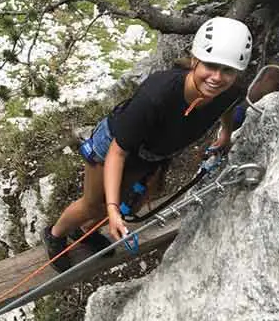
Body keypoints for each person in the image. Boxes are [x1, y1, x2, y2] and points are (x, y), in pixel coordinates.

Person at [43, 16, 252, 270]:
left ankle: (83, 232)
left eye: (227, 70)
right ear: (195, 60)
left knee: (117, 200)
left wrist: (226, 134)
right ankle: (55, 235)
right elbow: (117, 153)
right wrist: (111, 210)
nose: (217, 78)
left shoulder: (229, 90)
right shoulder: (158, 94)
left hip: (148, 154)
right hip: (113, 146)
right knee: (93, 204)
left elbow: (228, 106)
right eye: (210, 65)